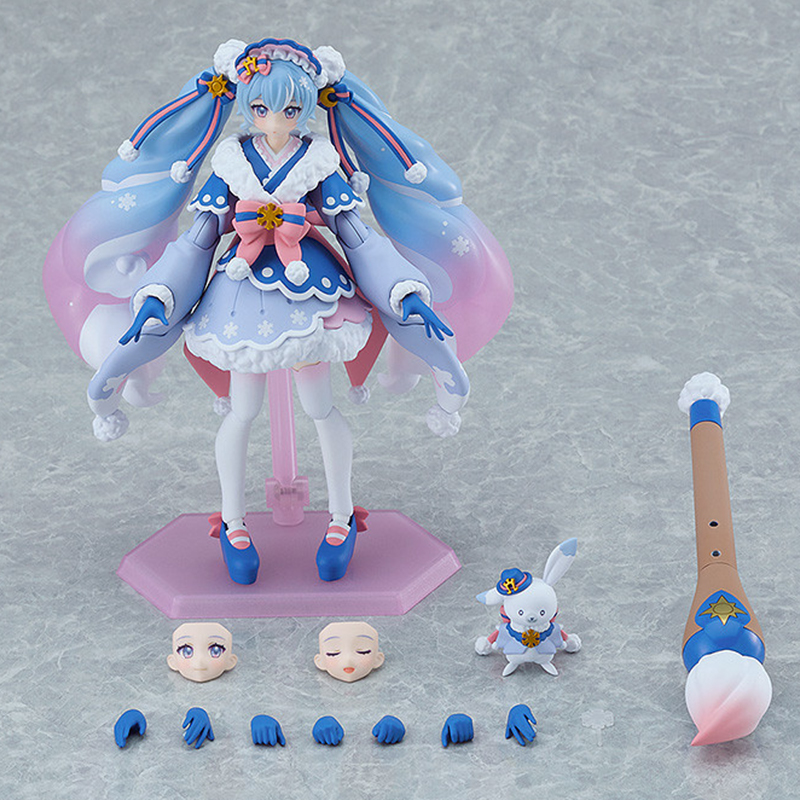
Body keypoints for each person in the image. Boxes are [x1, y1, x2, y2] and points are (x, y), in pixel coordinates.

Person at [45, 37, 513, 587]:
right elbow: (197, 240)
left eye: (290, 109)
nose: (275, 121)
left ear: (308, 106)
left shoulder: (318, 162)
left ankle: (340, 517)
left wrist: (402, 289)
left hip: (312, 297)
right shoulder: (231, 163)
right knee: (243, 411)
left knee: (320, 407)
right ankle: (234, 523)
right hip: (241, 297)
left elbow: (358, 237)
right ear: (245, 104)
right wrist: (159, 292)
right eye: (262, 108)